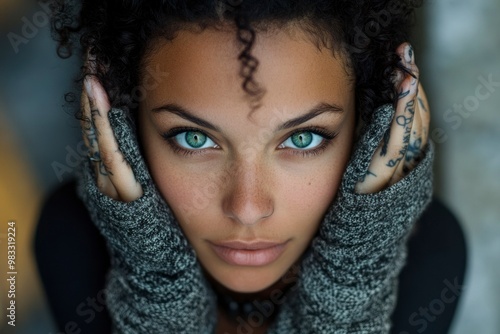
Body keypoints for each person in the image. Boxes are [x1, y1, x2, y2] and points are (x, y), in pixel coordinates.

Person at [34, 1, 466, 333]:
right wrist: (155, 287)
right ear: (125, 123)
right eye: (194, 138)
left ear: (367, 125)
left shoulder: (428, 256)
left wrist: (348, 291)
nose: (247, 208)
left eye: (303, 138)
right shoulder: (72, 239)